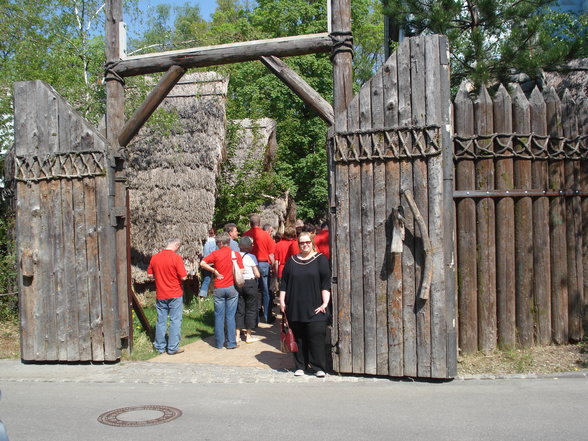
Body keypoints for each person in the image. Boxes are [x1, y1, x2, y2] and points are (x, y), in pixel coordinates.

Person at [279, 232, 331, 377]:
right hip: (295, 306)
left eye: (307, 242)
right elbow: (284, 284)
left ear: (312, 242)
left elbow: (325, 284)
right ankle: (300, 366)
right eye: (302, 243)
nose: (305, 245)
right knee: (299, 338)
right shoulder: (291, 261)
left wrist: (325, 303)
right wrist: (282, 302)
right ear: (298, 244)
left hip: (315, 306)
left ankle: (318, 367)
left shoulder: (321, 260)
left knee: (316, 336)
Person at [200, 232, 244, 349]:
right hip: (232, 288)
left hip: (219, 287)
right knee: (230, 316)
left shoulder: (215, 254)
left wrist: (214, 271)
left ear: (220, 243)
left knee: (219, 316)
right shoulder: (235, 254)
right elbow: (242, 270)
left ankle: (219, 343)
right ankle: (231, 343)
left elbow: (202, 263)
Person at [147, 238, 188, 355]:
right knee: (175, 320)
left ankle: (159, 347)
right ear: (177, 245)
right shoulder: (176, 258)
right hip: (175, 293)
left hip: (161, 293)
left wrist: (160, 277)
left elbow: (150, 275)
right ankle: (172, 347)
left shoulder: (155, 257)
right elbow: (183, 277)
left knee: (161, 320)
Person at [243, 214, 276, 323]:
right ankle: (267, 316)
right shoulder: (266, 235)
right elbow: (271, 254)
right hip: (263, 264)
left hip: (249, 264)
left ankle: (254, 318)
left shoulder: (245, 235)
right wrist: (273, 266)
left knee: (253, 291)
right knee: (265, 291)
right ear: (260, 223)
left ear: (250, 223)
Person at [236, 236, 261, 343]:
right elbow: (257, 274)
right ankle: (249, 335)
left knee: (240, 309)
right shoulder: (251, 257)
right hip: (250, 283)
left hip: (239, 283)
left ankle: (237, 335)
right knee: (251, 308)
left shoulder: (235, 256)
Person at [199, 228, 217, 300]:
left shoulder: (204, 242)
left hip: (205, 262)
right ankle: (215, 294)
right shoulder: (215, 241)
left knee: (207, 279)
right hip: (214, 262)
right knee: (217, 278)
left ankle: (202, 296)